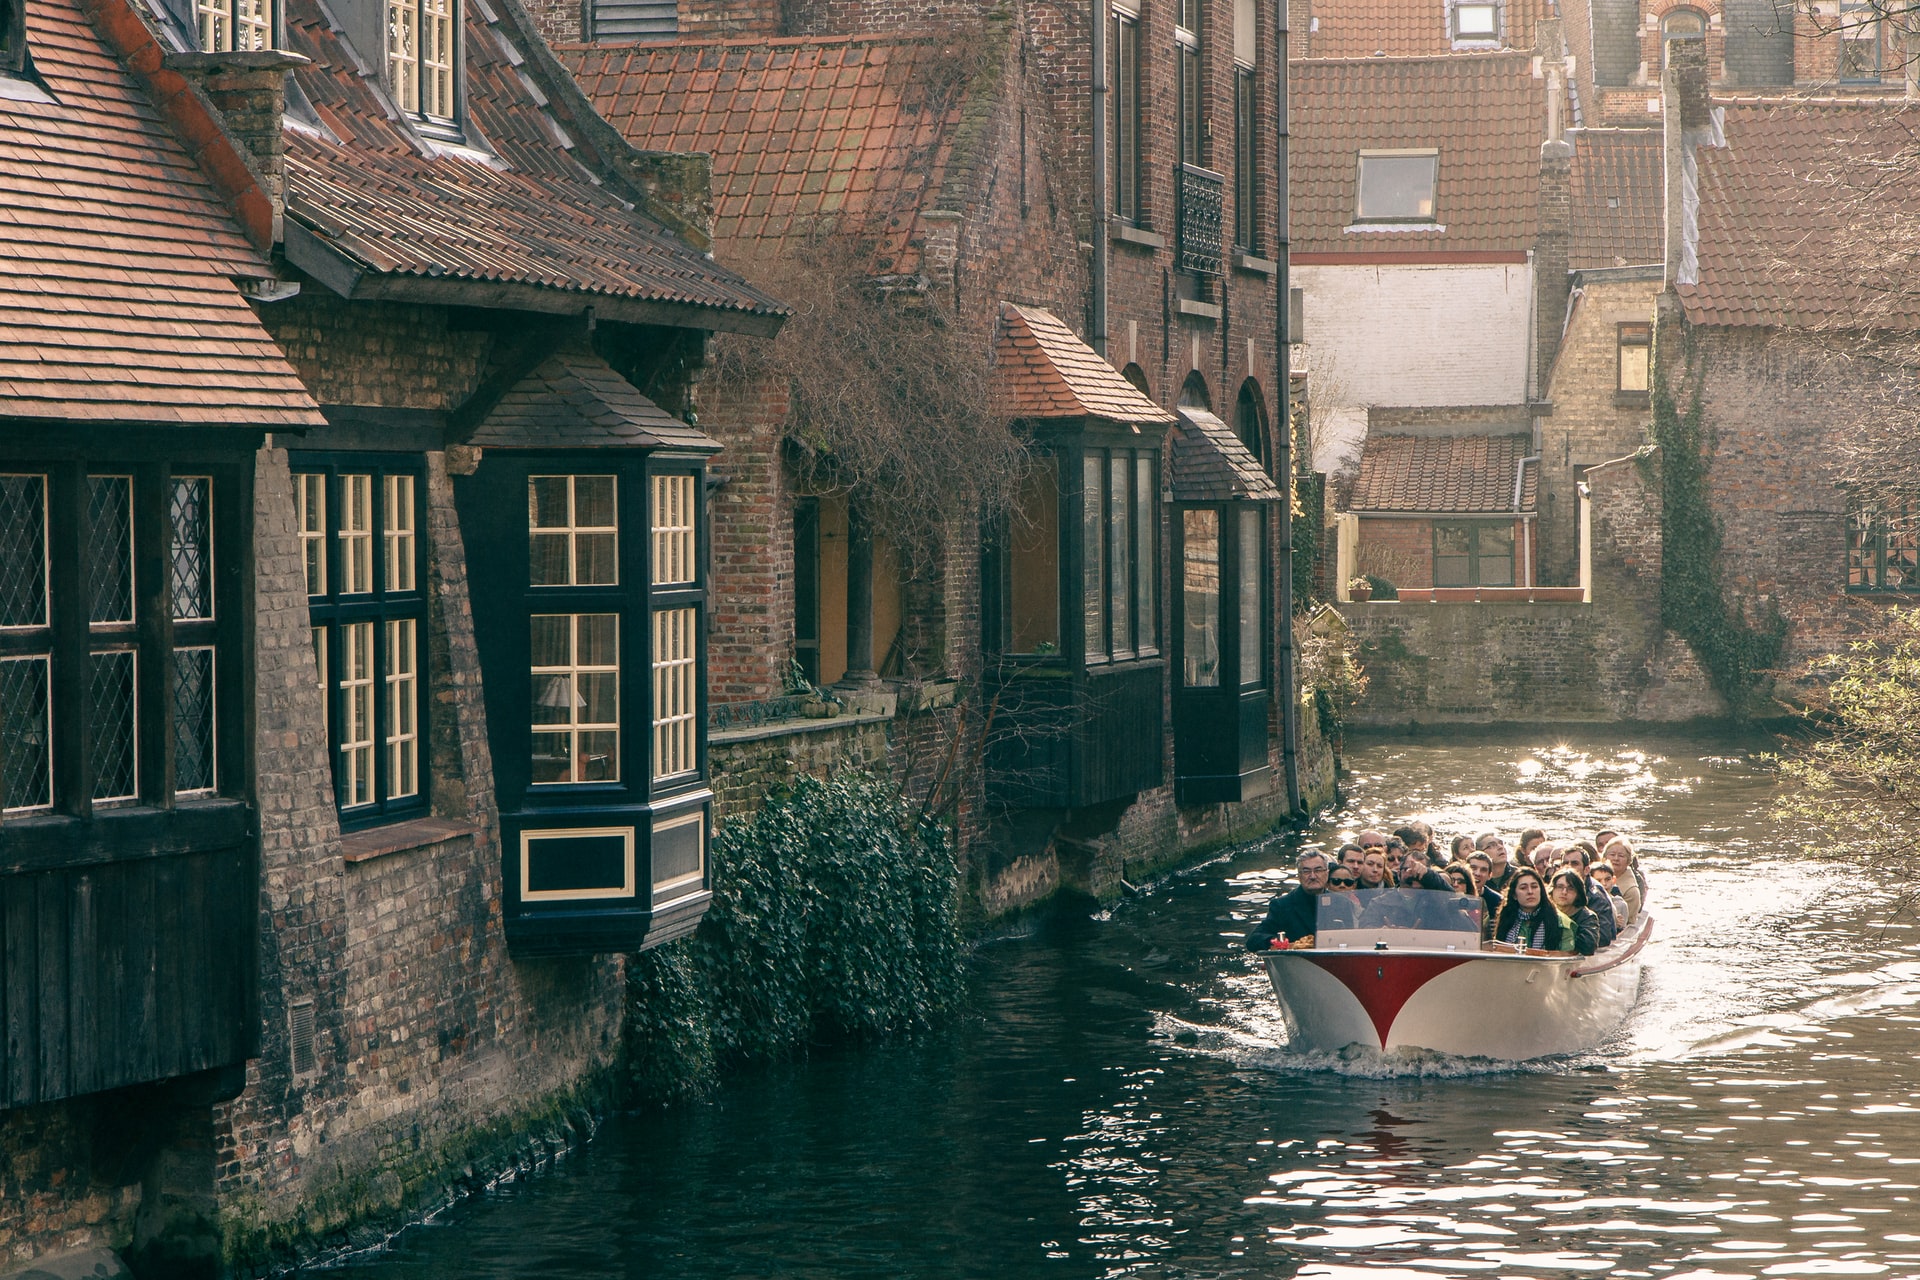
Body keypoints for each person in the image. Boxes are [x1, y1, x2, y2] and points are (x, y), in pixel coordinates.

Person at [1244, 851, 1331, 950]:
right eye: (1306, 871)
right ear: (1299, 876)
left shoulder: (1342, 904)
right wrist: (1282, 944)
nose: (1312, 876)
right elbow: (1253, 940)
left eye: (1318, 870)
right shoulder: (1282, 906)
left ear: (1327, 873)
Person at [1491, 868, 1575, 952]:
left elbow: (1565, 960)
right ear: (1514, 895)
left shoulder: (1561, 923)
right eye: (1523, 888)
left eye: (1534, 887)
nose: (1530, 892)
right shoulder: (1505, 918)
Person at [1550, 870, 1605, 956]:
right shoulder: (1546, 911)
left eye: (1570, 888)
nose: (1564, 892)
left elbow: (1588, 947)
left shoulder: (1587, 917)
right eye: (1560, 887)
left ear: (1578, 893)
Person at [1601, 838, 1644, 922]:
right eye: (1612, 854)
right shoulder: (1596, 875)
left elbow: (1626, 921)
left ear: (1628, 861)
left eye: (1621, 856)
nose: (1616, 859)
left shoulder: (1631, 890)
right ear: (1605, 858)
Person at [1466, 851, 1504, 938]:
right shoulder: (1455, 894)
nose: (1477, 873)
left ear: (1489, 875)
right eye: (1473, 868)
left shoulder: (1498, 901)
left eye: (1483, 870)